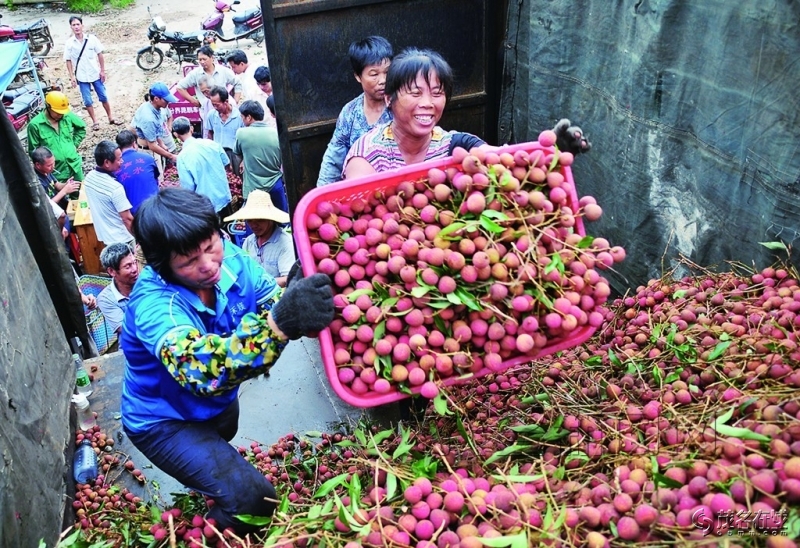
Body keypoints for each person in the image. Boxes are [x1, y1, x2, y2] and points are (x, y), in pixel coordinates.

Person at [119, 187, 333, 535]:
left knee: (224, 432)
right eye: (188, 261)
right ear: (163, 266)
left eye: (210, 245)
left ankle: (207, 478)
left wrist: (296, 304)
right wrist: (280, 323)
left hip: (215, 406)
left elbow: (270, 301)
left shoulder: (231, 258)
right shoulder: (155, 306)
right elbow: (200, 368)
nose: (208, 265)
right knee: (255, 502)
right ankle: (204, 534)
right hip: (163, 421)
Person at [344, 48, 486, 180]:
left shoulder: (452, 144)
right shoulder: (368, 155)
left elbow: (493, 155)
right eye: (415, 93)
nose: (427, 103)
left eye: (436, 93)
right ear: (388, 99)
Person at [317, 36, 394, 186]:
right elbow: (334, 159)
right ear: (358, 76)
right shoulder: (350, 113)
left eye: (387, 72)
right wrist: (322, 192)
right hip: (360, 193)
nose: (383, 80)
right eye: (374, 74)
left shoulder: (400, 106)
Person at [223, 190, 294, 286]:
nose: (254, 225)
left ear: (271, 219)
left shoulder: (285, 243)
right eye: (250, 221)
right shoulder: (249, 242)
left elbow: (287, 279)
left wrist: (259, 285)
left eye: (260, 220)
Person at [63, 15, 122, 131]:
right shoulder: (69, 43)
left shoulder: (92, 39)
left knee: (103, 96)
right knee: (87, 101)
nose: (76, 27)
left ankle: (110, 117)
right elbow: (68, 60)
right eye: (73, 25)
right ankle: (95, 121)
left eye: (78, 24)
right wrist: (72, 77)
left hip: (95, 74)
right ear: (71, 27)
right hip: (81, 76)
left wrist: (102, 70)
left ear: (82, 25)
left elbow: (100, 54)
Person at [172, 116, 233, 219]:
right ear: (191, 128)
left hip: (206, 206)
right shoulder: (212, 144)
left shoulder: (182, 157)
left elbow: (188, 189)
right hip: (224, 197)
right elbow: (227, 164)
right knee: (229, 231)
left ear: (176, 134)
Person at [233, 100, 286, 211]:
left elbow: (238, 153)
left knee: (255, 224)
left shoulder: (242, 133)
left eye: (242, 117)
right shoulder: (276, 133)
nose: (242, 120)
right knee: (283, 222)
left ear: (249, 117)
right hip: (275, 184)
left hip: (253, 188)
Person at [27, 91, 87, 185]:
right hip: (56, 172)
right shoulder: (35, 125)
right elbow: (33, 152)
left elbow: (81, 128)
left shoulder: (66, 115)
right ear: (48, 107)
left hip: (74, 166)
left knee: (81, 195)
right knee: (62, 198)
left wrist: (74, 145)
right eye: (57, 112)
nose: (61, 115)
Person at [83, 140, 134, 246]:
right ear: (107, 162)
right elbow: (127, 218)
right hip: (123, 239)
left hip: (105, 236)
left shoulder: (89, 178)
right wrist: (141, 239)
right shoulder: (115, 188)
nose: (122, 162)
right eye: (119, 159)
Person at [176, 45, 241, 107]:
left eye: (204, 59)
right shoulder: (195, 74)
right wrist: (193, 101)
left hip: (223, 108)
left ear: (212, 58)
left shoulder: (223, 71)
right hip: (206, 110)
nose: (202, 62)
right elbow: (180, 87)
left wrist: (235, 101)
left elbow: (238, 83)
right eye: (200, 60)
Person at [132, 82, 179, 166]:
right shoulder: (148, 118)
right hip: (148, 151)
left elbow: (155, 130)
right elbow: (152, 145)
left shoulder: (153, 107)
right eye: (166, 100)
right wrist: (171, 156)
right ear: (156, 99)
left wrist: (161, 143)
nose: (168, 102)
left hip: (155, 146)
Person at [97, 243, 140, 334]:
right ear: (112, 271)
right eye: (128, 266)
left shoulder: (147, 281)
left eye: (134, 262)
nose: (135, 269)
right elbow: (127, 330)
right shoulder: (106, 298)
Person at [115, 130, 160, 215]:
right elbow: (156, 180)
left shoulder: (115, 167)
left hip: (133, 214)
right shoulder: (148, 158)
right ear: (134, 144)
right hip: (156, 207)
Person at [207, 86, 245, 175]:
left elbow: (245, 140)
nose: (215, 107)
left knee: (237, 180)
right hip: (218, 153)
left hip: (235, 155)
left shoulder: (240, 116)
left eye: (217, 104)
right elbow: (210, 134)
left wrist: (244, 160)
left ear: (226, 101)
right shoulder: (211, 115)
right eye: (213, 104)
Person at [30, 146, 80, 210]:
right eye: (49, 165)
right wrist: (64, 191)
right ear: (38, 165)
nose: (53, 167)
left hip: (62, 205)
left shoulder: (46, 171)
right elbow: (47, 205)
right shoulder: (36, 181)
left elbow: (57, 185)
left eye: (53, 163)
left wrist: (66, 184)